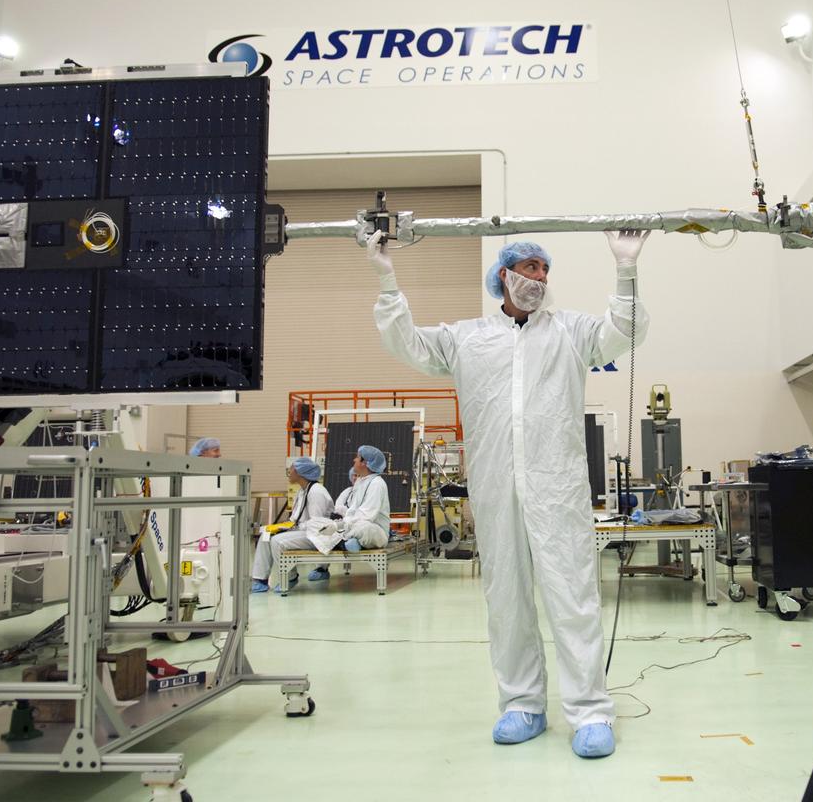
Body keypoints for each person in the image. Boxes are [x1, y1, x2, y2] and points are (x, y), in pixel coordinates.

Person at [369, 229, 650, 759]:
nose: (539, 278)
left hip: (558, 491)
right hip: (497, 491)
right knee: (507, 601)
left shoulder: (570, 332)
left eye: (546, 270)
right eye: (530, 267)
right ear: (504, 274)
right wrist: (387, 276)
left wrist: (625, 268)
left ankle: (590, 712)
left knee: (572, 597)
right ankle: (522, 704)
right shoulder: (467, 338)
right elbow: (405, 342)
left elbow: (626, 331)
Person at [250, 457, 336, 593]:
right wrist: (281, 527)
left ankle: (290, 577)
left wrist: (291, 527)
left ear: (300, 472)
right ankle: (260, 580)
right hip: (303, 531)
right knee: (266, 536)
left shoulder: (316, 491)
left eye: (291, 469)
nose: (289, 472)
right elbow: (295, 518)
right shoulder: (302, 491)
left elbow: (317, 523)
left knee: (277, 541)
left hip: (317, 535)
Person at [307, 447, 391, 580]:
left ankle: (342, 540)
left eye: (357, 457)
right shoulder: (360, 481)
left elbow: (366, 516)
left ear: (365, 463)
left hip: (374, 531)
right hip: (351, 527)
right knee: (314, 523)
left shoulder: (377, 484)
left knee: (363, 526)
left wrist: (339, 526)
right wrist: (338, 523)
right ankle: (347, 541)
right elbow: (351, 511)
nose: (354, 460)